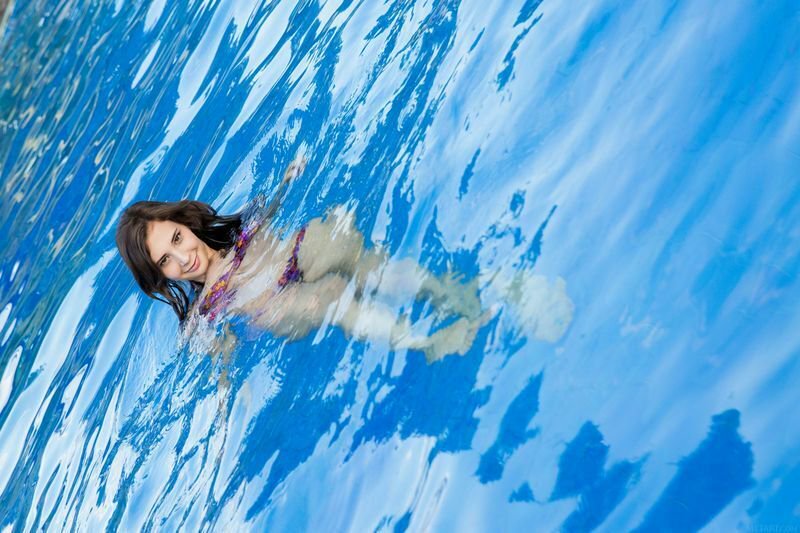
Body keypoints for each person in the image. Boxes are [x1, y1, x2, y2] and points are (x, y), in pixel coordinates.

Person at [115, 158, 489, 363]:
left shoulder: (235, 232)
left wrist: (287, 180)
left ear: (184, 222)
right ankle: (426, 343)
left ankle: (450, 294)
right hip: (278, 305)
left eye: (177, 238)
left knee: (331, 236)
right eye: (166, 260)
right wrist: (227, 403)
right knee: (330, 294)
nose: (184, 258)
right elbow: (220, 356)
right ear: (159, 276)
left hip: (292, 258)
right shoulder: (201, 312)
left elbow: (265, 212)